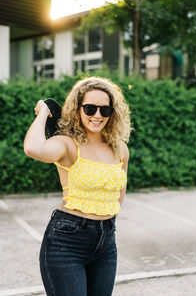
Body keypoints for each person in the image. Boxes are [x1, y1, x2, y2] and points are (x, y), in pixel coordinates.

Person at [24, 76, 131, 296]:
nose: (97, 115)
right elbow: (33, 149)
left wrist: (106, 227)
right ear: (77, 109)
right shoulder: (66, 144)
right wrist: (44, 112)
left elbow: (118, 195)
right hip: (67, 243)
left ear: (113, 112)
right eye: (90, 108)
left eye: (105, 110)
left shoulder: (120, 148)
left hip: (106, 244)